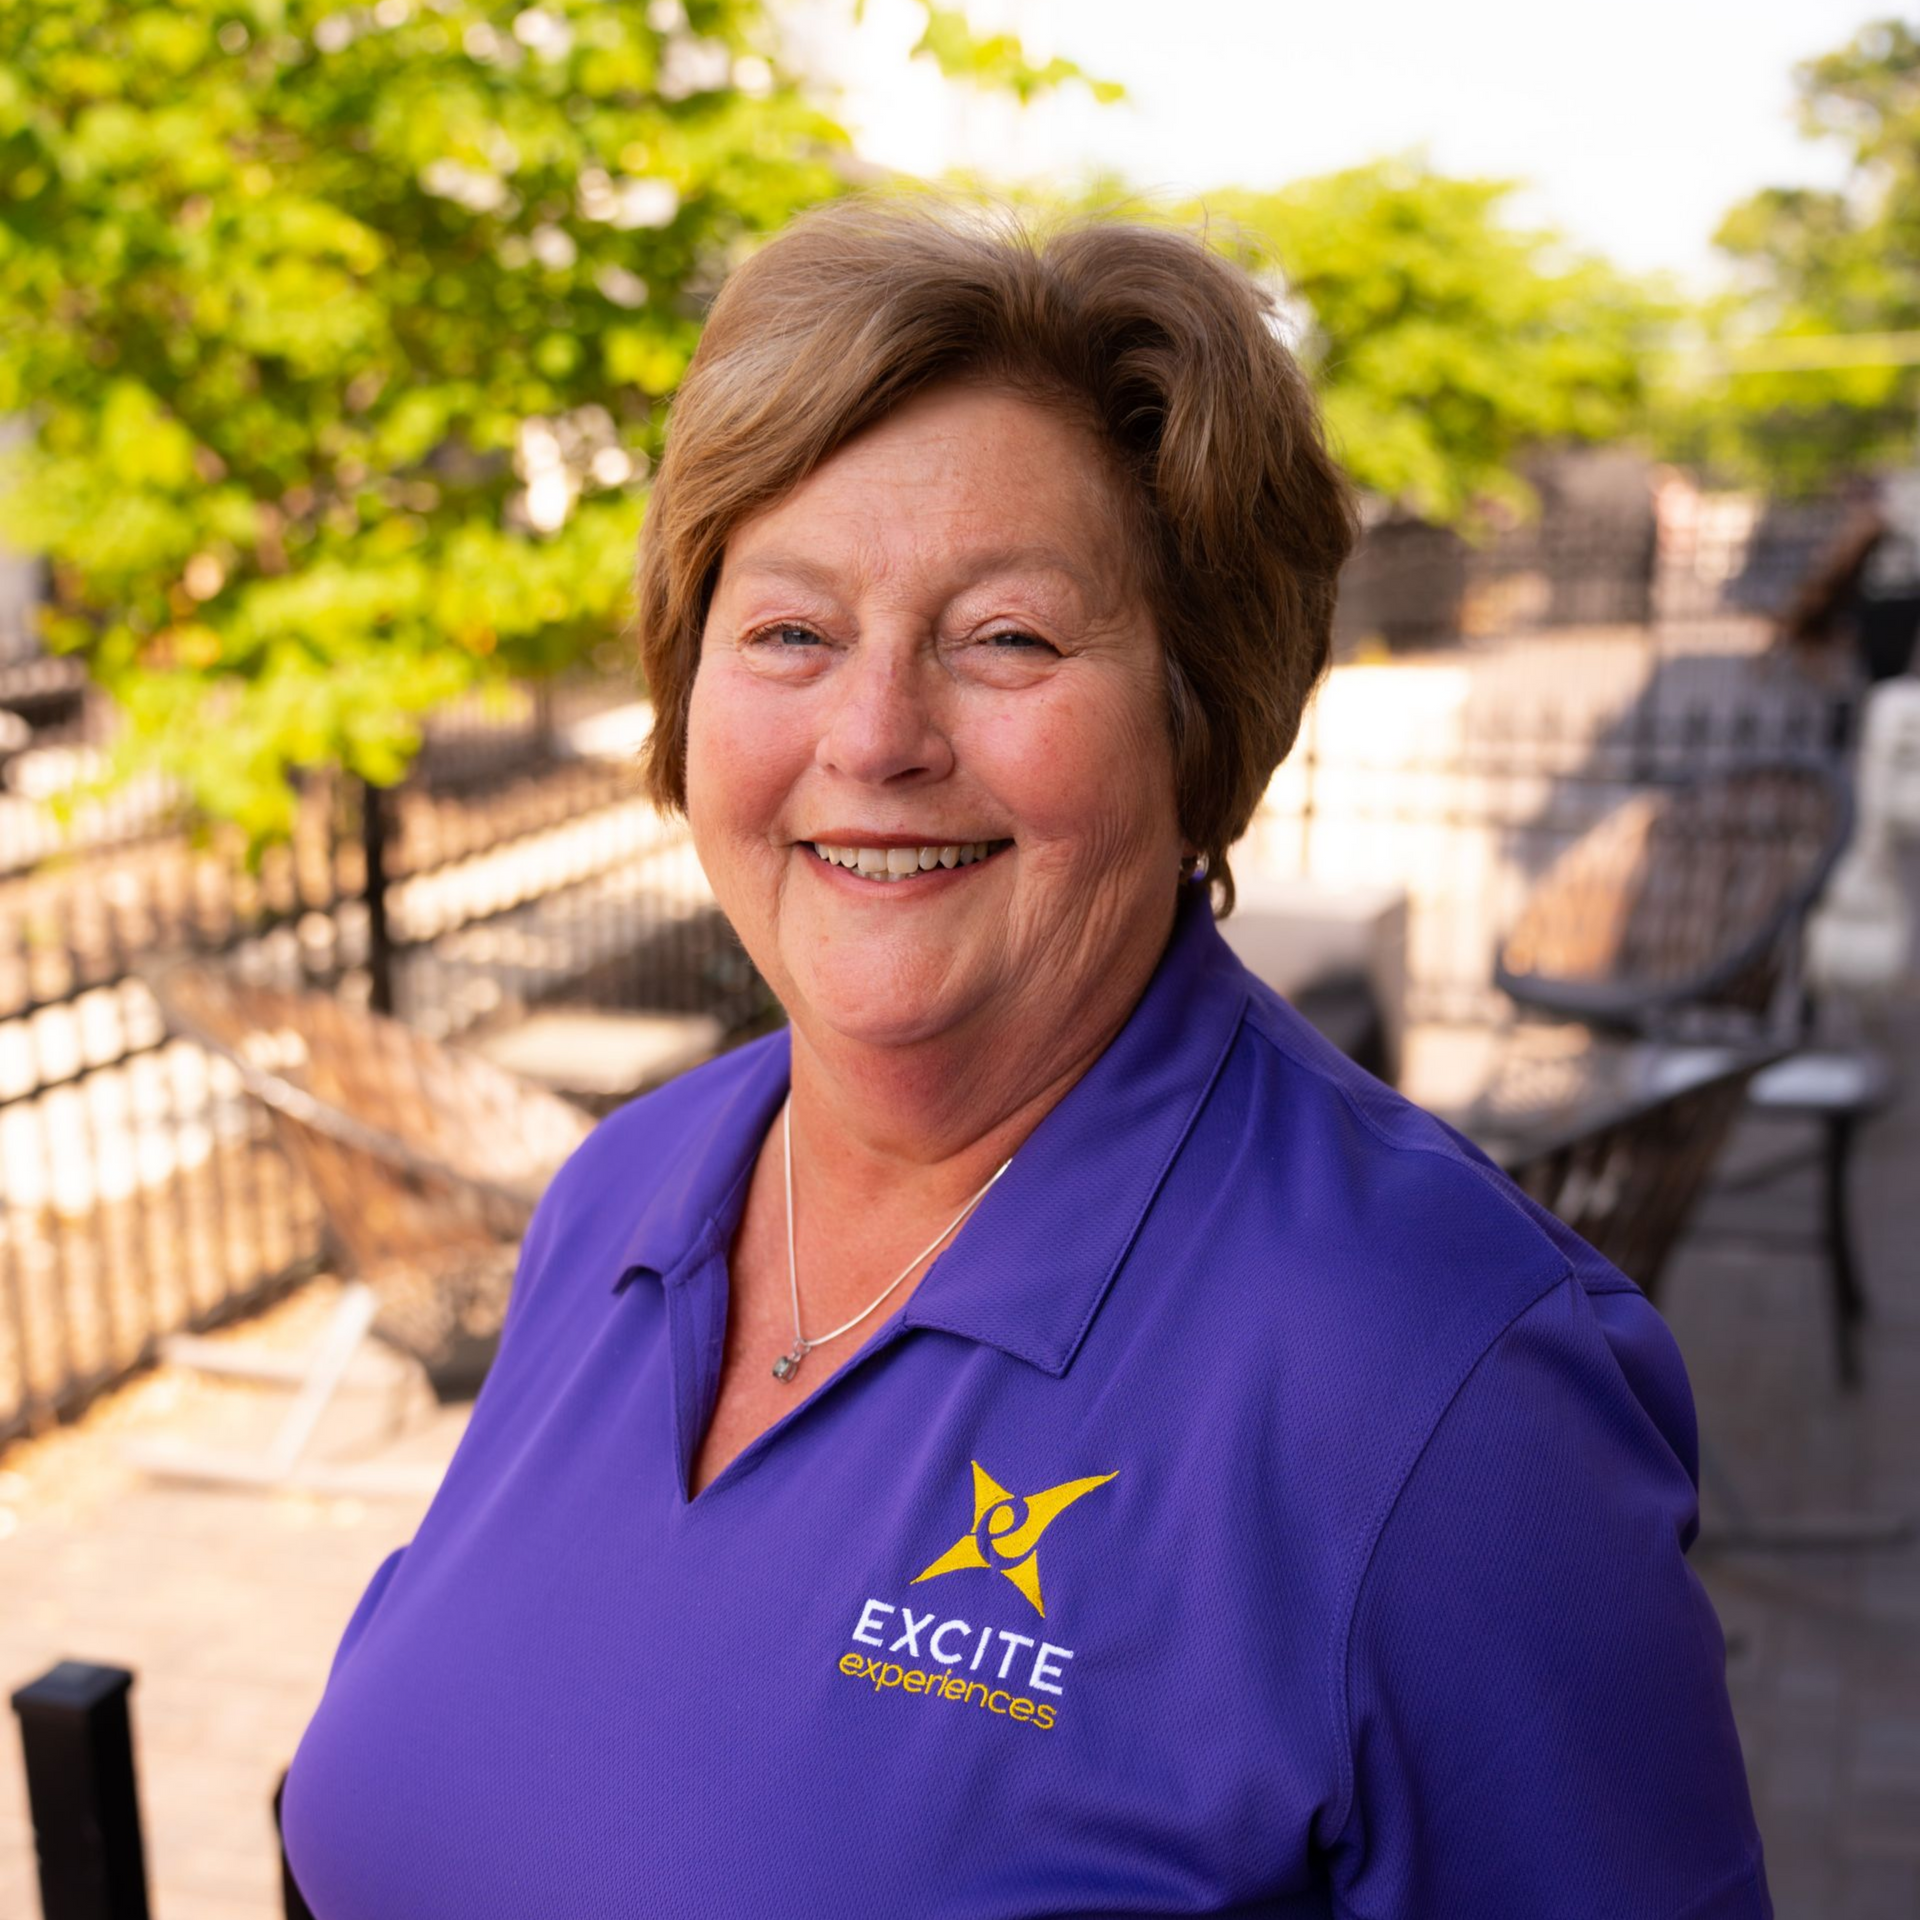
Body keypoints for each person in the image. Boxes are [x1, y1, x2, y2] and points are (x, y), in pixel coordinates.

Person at [282, 199, 1770, 1918]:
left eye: (1006, 638)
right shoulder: (621, 1193)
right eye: (788, 632)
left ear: (1195, 716)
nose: (874, 737)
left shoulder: (1440, 1385)